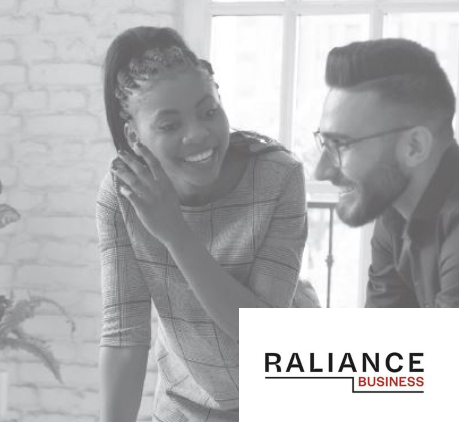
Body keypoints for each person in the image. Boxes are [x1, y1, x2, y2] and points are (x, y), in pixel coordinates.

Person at [96, 26, 319, 422]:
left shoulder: (277, 177)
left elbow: (264, 337)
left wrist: (175, 232)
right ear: (134, 136)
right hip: (185, 402)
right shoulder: (122, 195)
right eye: (169, 125)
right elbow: (124, 337)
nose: (199, 134)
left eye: (209, 111)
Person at [314, 38, 459, 308]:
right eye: (325, 143)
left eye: (341, 144)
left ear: (414, 147)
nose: (320, 172)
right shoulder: (394, 212)